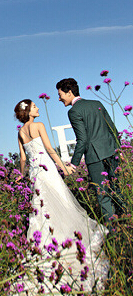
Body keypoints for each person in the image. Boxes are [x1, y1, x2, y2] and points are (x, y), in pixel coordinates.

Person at [8, 99, 109, 296]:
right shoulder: (39, 126)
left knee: (40, 209)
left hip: (35, 173)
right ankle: (68, 240)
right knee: (62, 203)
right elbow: (50, 149)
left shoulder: (20, 132)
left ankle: (44, 246)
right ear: (29, 112)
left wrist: (21, 174)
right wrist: (63, 167)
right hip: (47, 170)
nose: (37, 108)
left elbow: (23, 158)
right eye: (34, 106)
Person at [56, 78, 124, 223]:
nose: (59, 98)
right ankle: (126, 220)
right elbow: (112, 128)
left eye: (60, 94)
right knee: (117, 189)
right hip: (112, 151)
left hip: (95, 157)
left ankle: (113, 230)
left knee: (103, 196)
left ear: (69, 92)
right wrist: (119, 149)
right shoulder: (96, 103)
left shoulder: (74, 111)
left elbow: (83, 139)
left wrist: (73, 164)